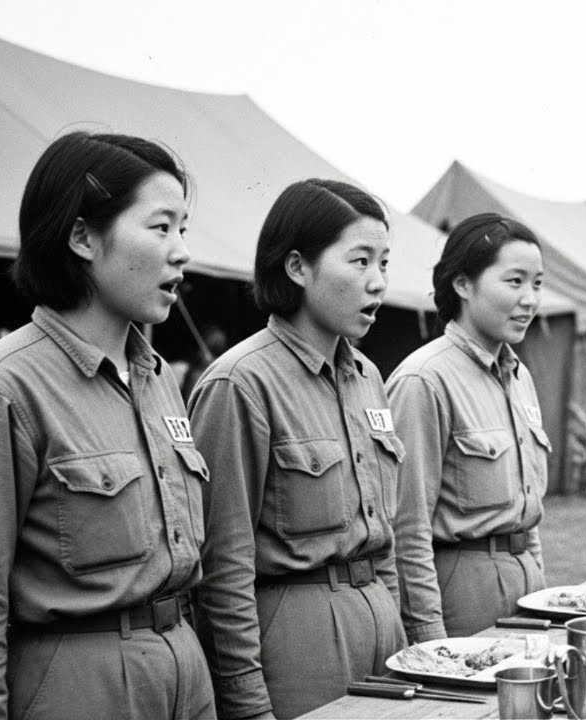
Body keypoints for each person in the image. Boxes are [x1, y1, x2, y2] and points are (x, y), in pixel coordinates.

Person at [0, 132, 214, 719]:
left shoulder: (157, 381)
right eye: (161, 228)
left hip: (186, 683)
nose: (181, 251)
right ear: (82, 236)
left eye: (184, 230)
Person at [188, 180, 406, 719]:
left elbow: (385, 539)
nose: (377, 283)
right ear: (297, 268)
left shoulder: (368, 378)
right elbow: (224, 566)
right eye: (359, 262)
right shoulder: (240, 383)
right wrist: (247, 703)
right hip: (298, 651)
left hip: (384, 637)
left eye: (383, 263)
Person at [386, 213, 551, 639]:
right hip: (462, 596)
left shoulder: (520, 377)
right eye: (514, 282)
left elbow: (527, 513)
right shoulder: (425, 380)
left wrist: (542, 592)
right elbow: (407, 528)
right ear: (462, 284)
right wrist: (428, 635)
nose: (530, 299)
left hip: (525, 586)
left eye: (537, 283)